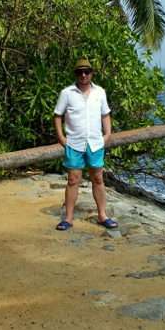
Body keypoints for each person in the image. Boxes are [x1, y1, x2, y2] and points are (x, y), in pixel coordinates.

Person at [53, 58, 117, 231]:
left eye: (86, 71)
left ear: (92, 73)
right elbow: (58, 115)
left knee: (98, 178)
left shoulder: (100, 92)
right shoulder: (67, 93)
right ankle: (68, 218)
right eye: (80, 72)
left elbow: (105, 114)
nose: (83, 75)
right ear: (75, 74)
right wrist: (61, 138)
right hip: (74, 142)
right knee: (73, 179)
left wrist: (108, 134)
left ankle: (102, 215)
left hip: (95, 143)